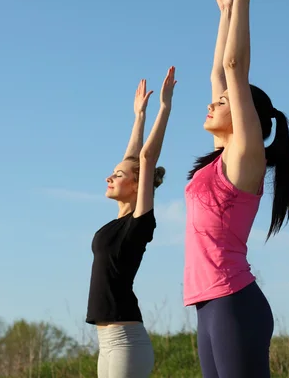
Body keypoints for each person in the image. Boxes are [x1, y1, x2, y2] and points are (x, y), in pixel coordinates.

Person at [183, 0, 289, 378]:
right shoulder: (217, 161)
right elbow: (218, 72)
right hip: (206, 305)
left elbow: (234, 69)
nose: (213, 102)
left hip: (233, 302)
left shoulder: (245, 158)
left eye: (225, 102)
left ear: (247, 116)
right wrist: (224, 11)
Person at [86, 67, 177, 378]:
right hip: (107, 342)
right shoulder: (116, 223)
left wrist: (164, 108)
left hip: (127, 341)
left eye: (119, 176)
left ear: (139, 185)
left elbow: (145, 159)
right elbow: (133, 159)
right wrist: (138, 117)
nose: (110, 177)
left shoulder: (139, 224)